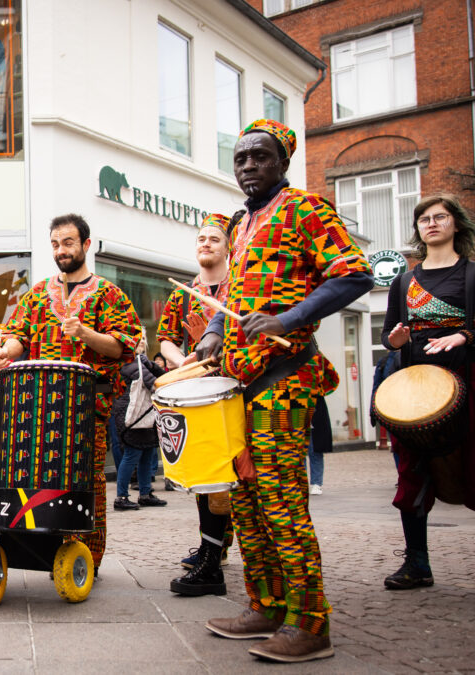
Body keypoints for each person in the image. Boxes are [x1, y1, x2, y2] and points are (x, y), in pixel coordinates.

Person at [194, 120, 373, 662]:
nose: (248, 165)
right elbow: (228, 290)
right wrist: (211, 334)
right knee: (245, 503)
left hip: (283, 380)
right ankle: (266, 606)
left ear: (283, 161)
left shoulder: (306, 209)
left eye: (260, 157)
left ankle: (310, 622)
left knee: (280, 503)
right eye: (240, 157)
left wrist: (288, 317)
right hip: (236, 386)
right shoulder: (238, 220)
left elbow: (355, 273)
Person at [0, 213, 142, 573]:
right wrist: (7, 351)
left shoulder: (109, 294)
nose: (61, 250)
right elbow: (18, 335)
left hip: (87, 407)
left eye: (69, 242)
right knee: (38, 476)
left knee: (86, 481)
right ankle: (40, 550)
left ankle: (88, 558)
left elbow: (125, 347)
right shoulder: (38, 292)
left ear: (86, 245)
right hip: (38, 405)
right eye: (56, 244)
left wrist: (86, 334)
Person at [380, 194, 475, 590]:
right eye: (424, 219)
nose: (432, 224)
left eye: (440, 217)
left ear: (456, 225)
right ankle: (417, 564)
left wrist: (462, 335)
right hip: (415, 389)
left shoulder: (471, 274)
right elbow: (388, 335)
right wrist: (397, 339)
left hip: (466, 382)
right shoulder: (404, 281)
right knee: (411, 475)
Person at [156, 213, 234, 596]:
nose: (205, 243)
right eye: (200, 239)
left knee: (237, 477)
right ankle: (211, 549)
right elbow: (166, 339)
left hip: (239, 387)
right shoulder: (181, 293)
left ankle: (218, 546)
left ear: (227, 247)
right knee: (208, 475)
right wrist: (179, 361)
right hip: (202, 389)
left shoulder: (240, 288)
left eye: (213, 239)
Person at [110, 338, 167, 510]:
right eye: (137, 339)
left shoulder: (140, 362)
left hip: (142, 415)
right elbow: (156, 382)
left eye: (143, 338)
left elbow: (159, 374)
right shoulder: (130, 365)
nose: (142, 342)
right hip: (133, 417)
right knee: (132, 455)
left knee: (147, 453)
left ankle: (145, 493)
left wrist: (146, 361)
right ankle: (121, 497)